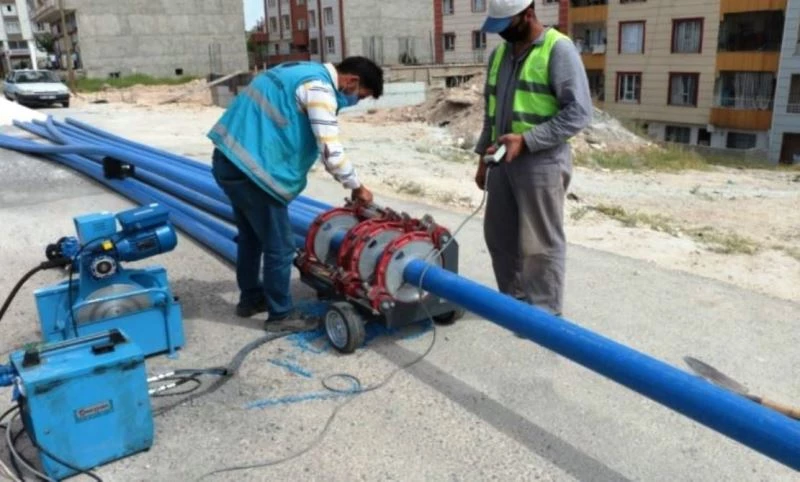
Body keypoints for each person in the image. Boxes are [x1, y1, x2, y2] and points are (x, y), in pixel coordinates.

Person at [208, 57, 383, 328]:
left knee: (251, 238)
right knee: (280, 247)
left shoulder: (296, 70)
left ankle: (251, 299)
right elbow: (331, 152)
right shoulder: (320, 90)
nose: (354, 101)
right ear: (352, 81)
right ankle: (280, 315)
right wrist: (357, 187)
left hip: (228, 159)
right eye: (360, 96)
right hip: (255, 173)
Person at [474, 0, 593, 318]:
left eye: (506, 27)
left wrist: (527, 141)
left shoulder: (558, 49)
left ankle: (544, 316)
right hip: (502, 160)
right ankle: (514, 305)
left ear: (528, 14)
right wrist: (482, 158)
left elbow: (579, 112)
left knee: (540, 244)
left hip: (541, 163)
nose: (501, 35)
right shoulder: (499, 55)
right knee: (499, 238)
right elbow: (490, 112)